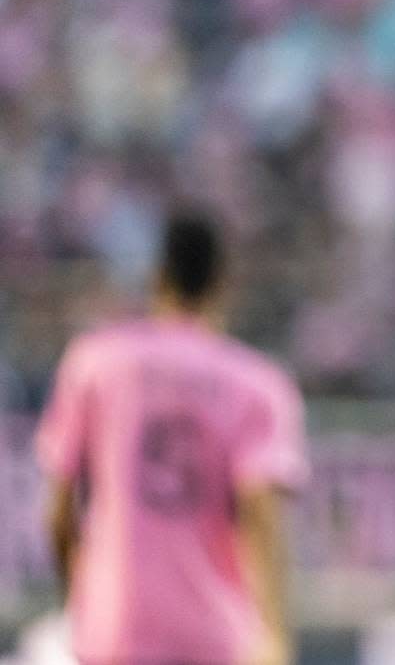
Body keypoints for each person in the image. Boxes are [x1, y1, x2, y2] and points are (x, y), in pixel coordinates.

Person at [36, 210, 309, 665]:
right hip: (212, 635)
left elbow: (59, 514)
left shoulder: (95, 365)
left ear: (157, 277)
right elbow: (262, 518)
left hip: (113, 631)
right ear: (223, 284)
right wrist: (276, 635)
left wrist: (80, 602)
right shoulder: (258, 385)